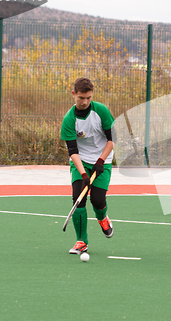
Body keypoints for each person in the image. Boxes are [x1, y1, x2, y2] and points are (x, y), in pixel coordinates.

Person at [61, 77, 115, 254]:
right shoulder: (69, 119)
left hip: (103, 159)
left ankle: (102, 218)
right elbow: (72, 151)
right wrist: (84, 174)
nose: (85, 102)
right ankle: (81, 241)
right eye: (81, 98)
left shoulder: (101, 111)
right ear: (73, 94)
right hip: (81, 161)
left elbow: (112, 140)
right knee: (79, 198)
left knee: (98, 200)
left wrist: (100, 161)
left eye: (88, 98)